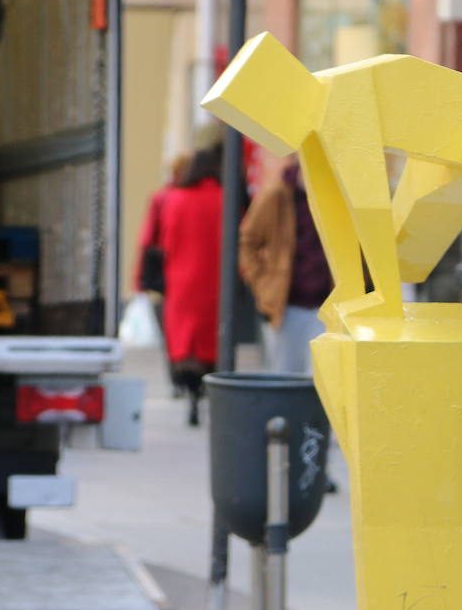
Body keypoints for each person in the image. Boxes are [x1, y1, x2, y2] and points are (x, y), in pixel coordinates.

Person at [240, 161, 333, 375]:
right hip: (288, 304)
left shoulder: (335, 195)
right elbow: (248, 240)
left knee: (321, 378)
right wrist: (261, 283)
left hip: (327, 305)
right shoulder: (277, 194)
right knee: (286, 374)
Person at [156, 141, 224, 426]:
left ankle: (188, 388)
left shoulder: (175, 199)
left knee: (185, 337)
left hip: (181, 279)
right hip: (215, 280)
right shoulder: (224, 197)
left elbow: (165, 241)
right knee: (210, 338)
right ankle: (205, 386)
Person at [135, 154, 191, 397]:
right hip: (189, 276)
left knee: (171, 330)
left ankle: (176, 379)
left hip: (166, 277)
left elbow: (147, 241)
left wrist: (140, 280)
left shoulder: (163, 198)